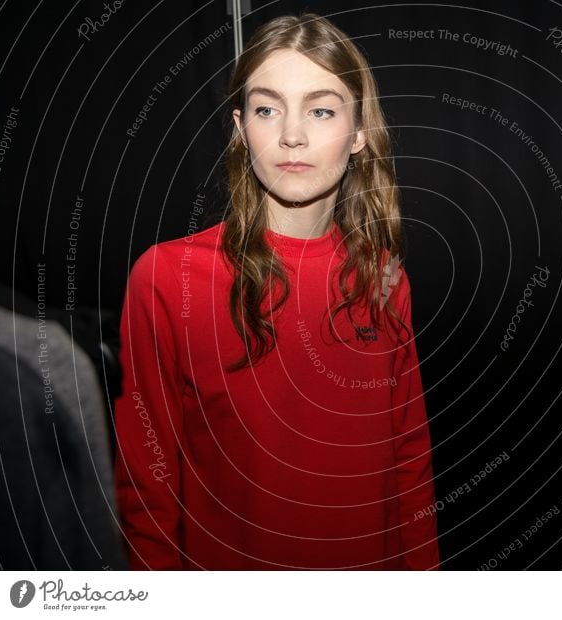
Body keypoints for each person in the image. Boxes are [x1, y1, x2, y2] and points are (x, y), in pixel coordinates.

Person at [113, 12, 440, 570]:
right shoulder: (167, 279)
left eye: (321, 109)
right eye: (268, 109)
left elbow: (410, 468)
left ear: (359, 131)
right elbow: (146, 491)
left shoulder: (385, 278)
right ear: (241, 129)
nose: (293, 134)